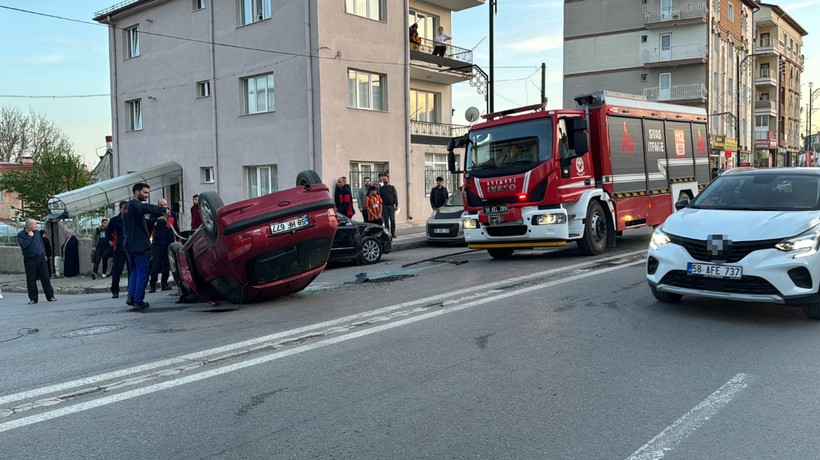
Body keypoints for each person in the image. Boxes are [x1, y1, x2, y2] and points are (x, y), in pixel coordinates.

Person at [125, 183, 171, 310]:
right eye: (144, 193)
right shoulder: (136, 204)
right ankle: (138, 301)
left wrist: (157, 220)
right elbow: (147, 208)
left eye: (148, 193)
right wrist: (162, 209)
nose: (147, 195)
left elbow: (141, 223)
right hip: (139, 245)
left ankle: (131, 296)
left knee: (134, 271)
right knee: (142, 273)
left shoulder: (128, 206)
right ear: (136, 192)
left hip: (129, 245)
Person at [17, 219, 55, 304]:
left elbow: (41, 244)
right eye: (34, 224)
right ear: (29, 225)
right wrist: (29, 236)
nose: (36, 226)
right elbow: (24, 245)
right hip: (29, 259)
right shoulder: (21, 235)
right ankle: (33, 298)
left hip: (40, 257)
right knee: (31, 279)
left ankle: (50, 296)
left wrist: (44, 254)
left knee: (45, 277)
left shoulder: (37, 233)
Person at [149, 198, 179, 293]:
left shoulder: (172, 214)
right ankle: (153, 284)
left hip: (169, 242)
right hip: (157, 243)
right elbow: (150, 225)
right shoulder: (154, 214)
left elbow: (176, 227)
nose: (164, 207)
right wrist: (158, 220)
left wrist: (178, 239)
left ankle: (164, 283)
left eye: (165, 205)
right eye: (161, 205)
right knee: (156, 265)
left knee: (167, 265)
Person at [106, 201, 129, 299]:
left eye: (126, 208)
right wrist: (110, 240)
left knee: (132, 270)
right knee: (117, 271)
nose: (125, 210)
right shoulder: (115, 220)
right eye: (123, 208)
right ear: (120, 209)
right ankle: (115, 291)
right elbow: (108, 232)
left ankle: (131, 290)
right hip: (119, 248)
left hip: (130, 247)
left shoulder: (130, 219)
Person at [378, 174, 398, 238]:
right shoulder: (381, 189)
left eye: (385, 179)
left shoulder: (392, 187)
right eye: (383, 179)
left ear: (388, 179)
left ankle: (393, 233)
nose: (384, 180)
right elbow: (379, 198)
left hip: (391, 206)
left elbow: (395, 196)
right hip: (384, 206)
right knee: (386, 220)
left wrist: (396, 204)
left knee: (392, 220)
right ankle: (387, 233)